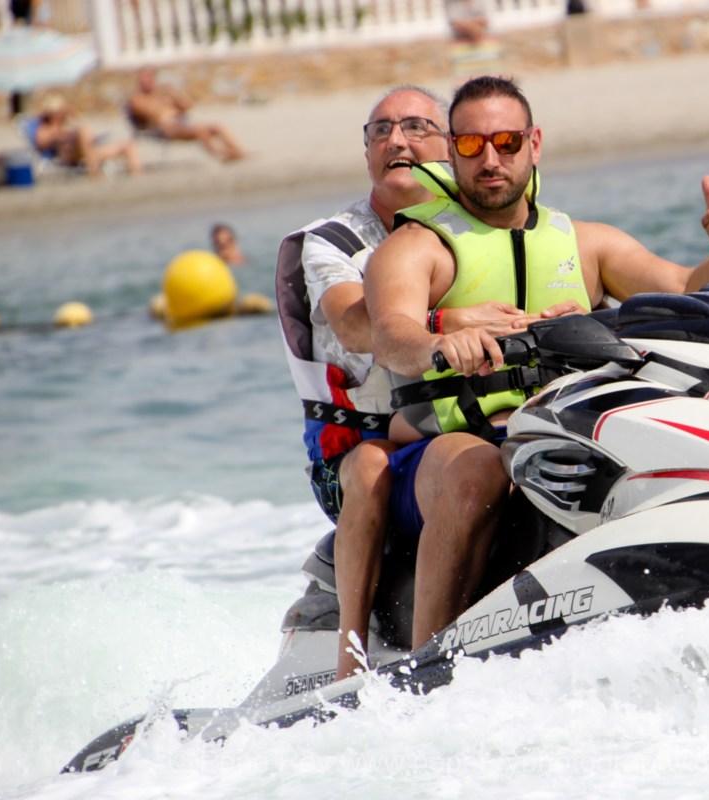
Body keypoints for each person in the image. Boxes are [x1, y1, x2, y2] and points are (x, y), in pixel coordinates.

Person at [362, 75, 709, 659]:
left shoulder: (587, 243)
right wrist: (442, 344)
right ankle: (425, 666)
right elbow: (392, 335)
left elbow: (694, 296)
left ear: (534, 144)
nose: (491, 159)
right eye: (470, 145)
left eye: (507, 142)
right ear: (452, 152)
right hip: (448, 451)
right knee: (477, 469)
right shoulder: (417, 247)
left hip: (560, 435)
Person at [275, 86, 462, 682]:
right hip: (353, 452)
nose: (396, 140)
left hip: (444, 428)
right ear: (366, 153)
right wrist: (454, 323)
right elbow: (357, 328)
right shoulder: (331, 241)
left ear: (452, 146)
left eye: (416, 127)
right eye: (380, 131)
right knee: (372, 467)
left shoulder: (475, 228)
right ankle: (349, 660)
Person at [127, 67, 245, 163]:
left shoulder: (163, 92)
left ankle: (238, 151)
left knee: (217, 126)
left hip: (180, 123)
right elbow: (153, 114)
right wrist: (167, 106)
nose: (147, 81)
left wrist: (174, 95)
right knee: (200, 131)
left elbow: (188, 106)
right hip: (163, 129)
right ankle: (222, 154)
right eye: (144, 78)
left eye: (150, 77)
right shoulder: (137, 99)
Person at [28, 94, 142, 177]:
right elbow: (41, 142)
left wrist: (71, 117)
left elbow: (82, 126)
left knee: (127, 146)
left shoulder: (66, 122)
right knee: (83, 131)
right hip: (67, 156)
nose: (60, 114)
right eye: (57, 112)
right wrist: (58, 131)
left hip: (87, 153)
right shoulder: (45, 127)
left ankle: (137, 176)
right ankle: (95, 174)